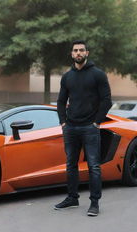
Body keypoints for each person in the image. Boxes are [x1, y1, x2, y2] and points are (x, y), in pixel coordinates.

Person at [55, 40, 112, 216]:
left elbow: (106, 100)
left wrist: (96, 122)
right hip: (71, 127)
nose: (78, 53)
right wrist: (63, 122)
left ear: (87, 53)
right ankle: (72, 198)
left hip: (89, 127)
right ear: (72, 54)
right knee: (71, 164)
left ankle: (94, 203)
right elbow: (61, 101)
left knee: (94, 166)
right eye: (75, 50)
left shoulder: (98, 75)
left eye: (81, 50)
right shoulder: (67, 77)